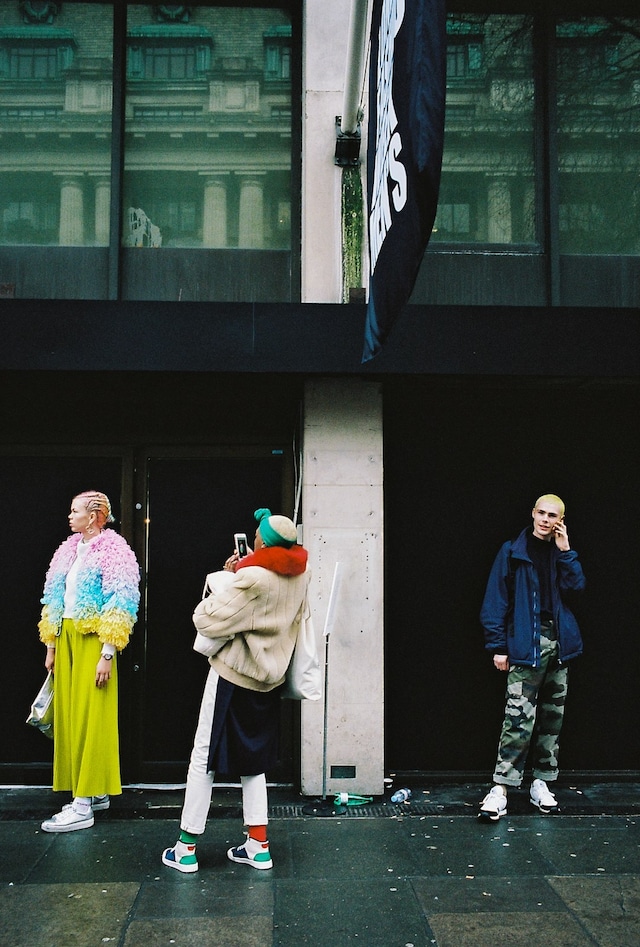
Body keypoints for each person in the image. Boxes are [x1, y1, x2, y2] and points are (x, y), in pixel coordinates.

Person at [162, 507, 310, 873]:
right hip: (269, 680)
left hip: (233, 676)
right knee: (254, 762)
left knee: (203, 756)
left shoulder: (254, 578)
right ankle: (258, 846)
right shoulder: (300, 576)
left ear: (264, 542)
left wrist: (229, 578)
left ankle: (186, 847)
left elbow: (207, 619)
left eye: (257, 535)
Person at [478, 494, 586, 821]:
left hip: (560, 642)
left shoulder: (560, 552)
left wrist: (566, 551)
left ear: (560, 521)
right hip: (526, 642)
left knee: (552, 718)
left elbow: (577, 589)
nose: (545, 519)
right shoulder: (513, 550)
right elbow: (495, 600)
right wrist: (499, 646)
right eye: (541, 513)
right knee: (517, 717)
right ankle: (501, 788)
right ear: (533, 513)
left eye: (552, 515)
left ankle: (542, 782)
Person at [38, 491, 140, 832]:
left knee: (91, 717)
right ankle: (94, 792)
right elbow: (53, 596)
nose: (70, 516)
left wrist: (107, 653)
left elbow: (121, 600)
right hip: (67, 636)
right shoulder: (69, 549)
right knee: (71, 716)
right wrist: (51, 644)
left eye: (75, 511)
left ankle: (82, 805)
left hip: (93, 638)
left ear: (94, 516)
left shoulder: (115, 550)